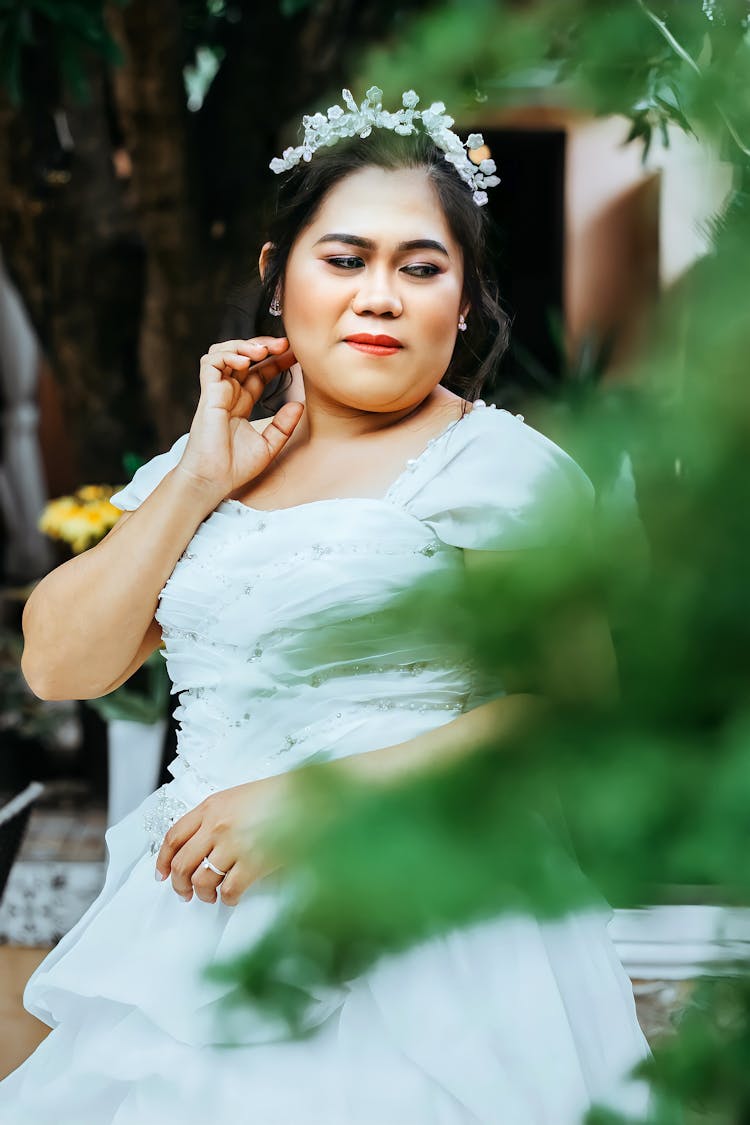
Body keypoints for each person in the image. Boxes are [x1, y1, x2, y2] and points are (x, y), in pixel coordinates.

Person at [1, 88, 650, 1124]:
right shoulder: (203, 465)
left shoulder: (503, 471)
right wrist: (198, 478)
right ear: (277, 277)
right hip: (187, 939)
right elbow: (58, 668)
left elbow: (577, 712)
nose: (379, 297)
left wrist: (316, 801)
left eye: (420, 267)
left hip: (431, 939)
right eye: (344, 259)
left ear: (468, 299)